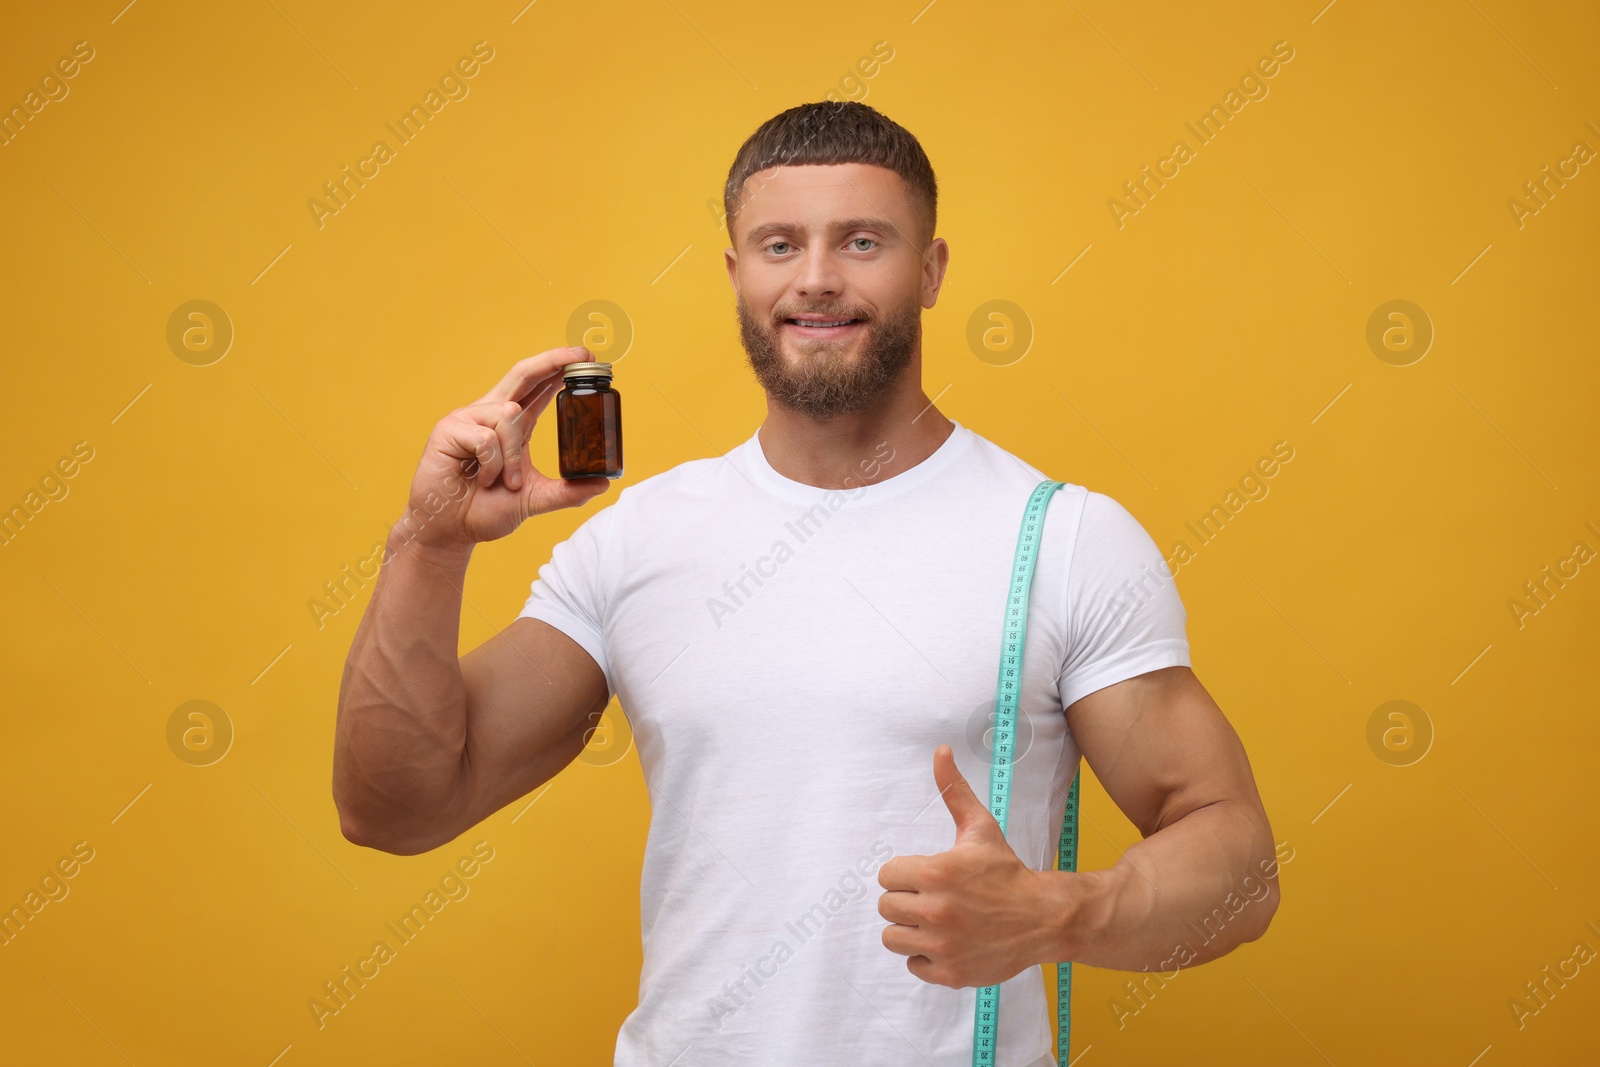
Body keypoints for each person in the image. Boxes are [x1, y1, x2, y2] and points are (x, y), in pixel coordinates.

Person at [333, 100, 1280, 1066]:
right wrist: (430, 544)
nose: (817, 279)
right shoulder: (638, 542)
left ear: (932, 270)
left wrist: (1060, 913)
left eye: (863, 241)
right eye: (779, 244)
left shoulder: (1064, 537)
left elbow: (1239, 860)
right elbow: (396, 806)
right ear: (737, 273)